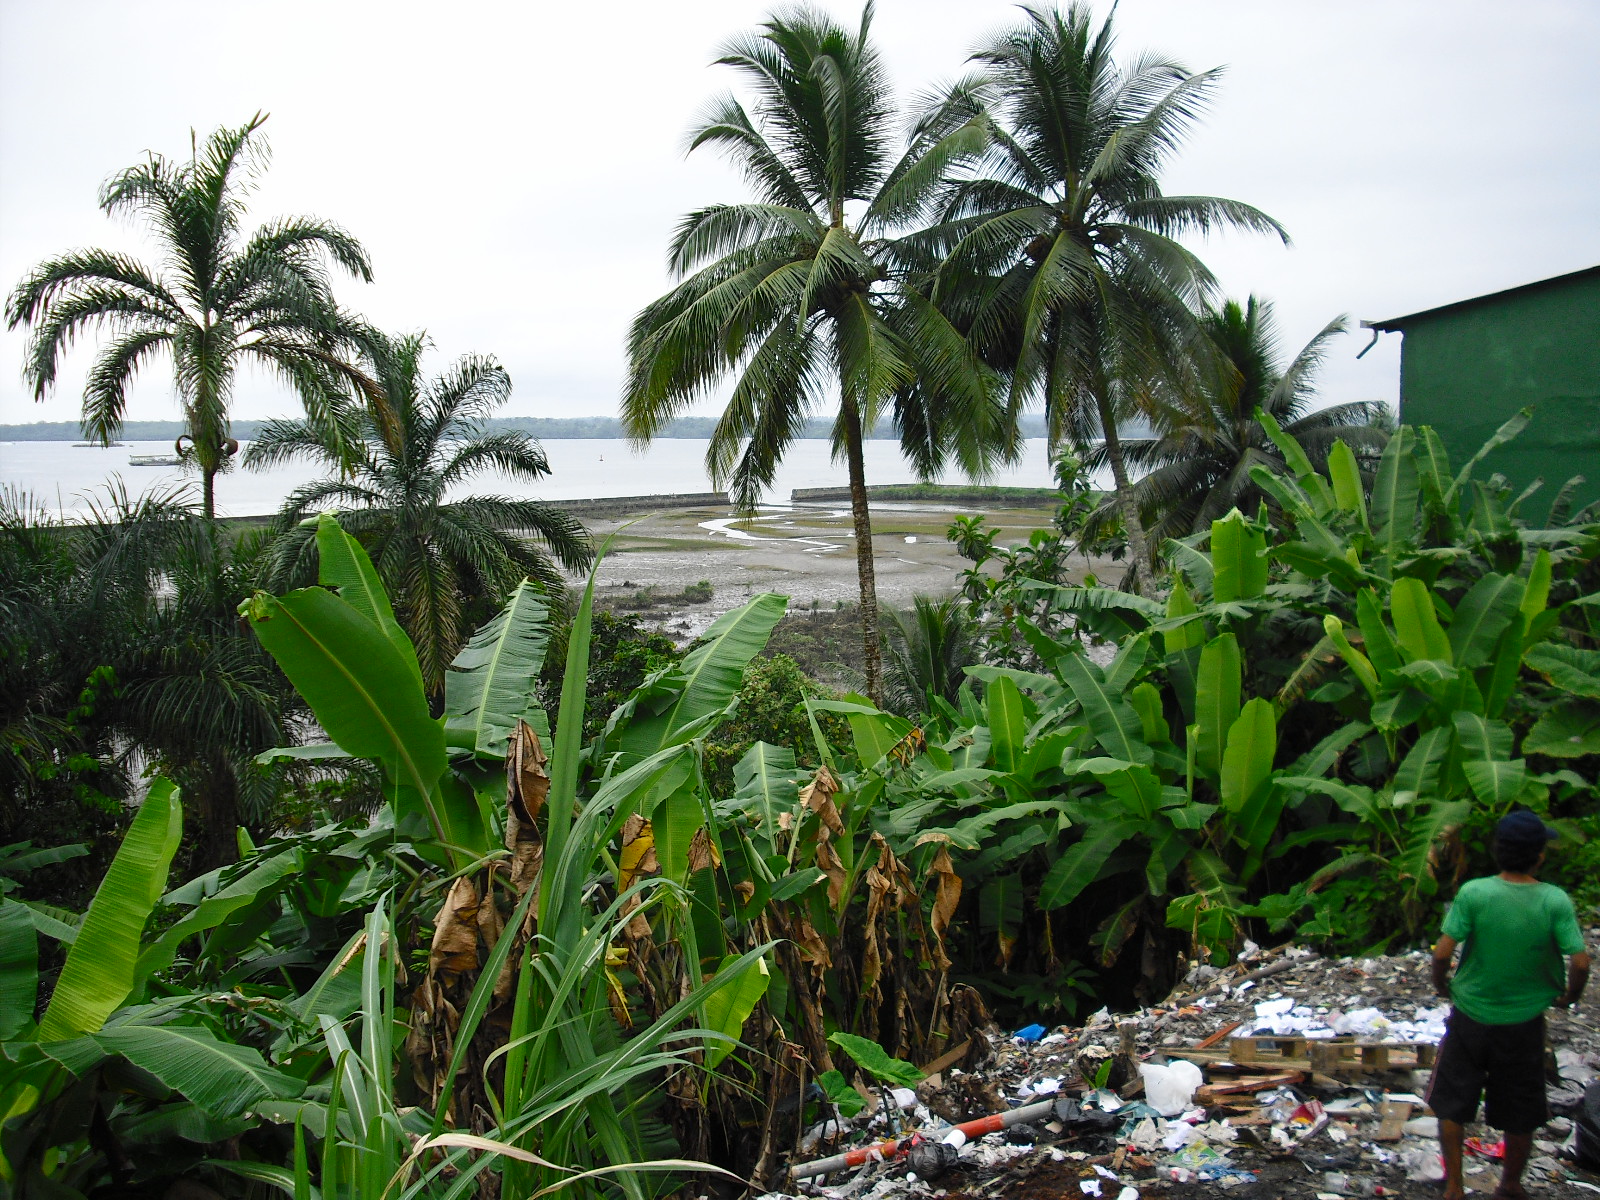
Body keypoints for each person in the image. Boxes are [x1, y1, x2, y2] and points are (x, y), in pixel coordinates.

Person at [1429, 810, 1590, 1200]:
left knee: (1453, 1104)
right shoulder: (1554, 900)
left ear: (1497, 851)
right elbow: (1581, 961)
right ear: (1539, 857)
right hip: (1523, 1022)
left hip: (1470, 1016)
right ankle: (1510, 1185)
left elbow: (1441, 954)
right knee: (1520, 1108)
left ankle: (1454, 1187)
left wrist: (1444, 987)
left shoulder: (1475, 893)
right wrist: (1571, 995)